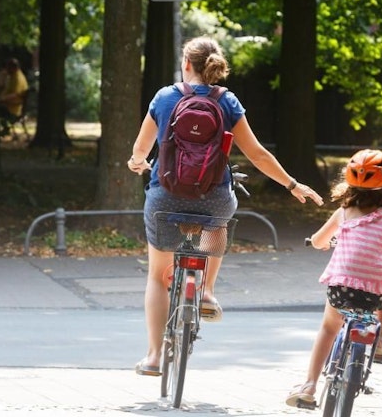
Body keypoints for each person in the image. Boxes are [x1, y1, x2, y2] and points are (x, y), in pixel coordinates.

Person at [127, 36, 324, 377]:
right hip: (214, 197)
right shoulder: (228, 101)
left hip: (165, 196)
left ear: (186, 65)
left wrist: (137, 161)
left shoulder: (165, 97)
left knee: (159, 277)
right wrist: (292, 184)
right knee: (218, 222)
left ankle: (155, 357)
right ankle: (206, 290)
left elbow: (142, 147)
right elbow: (258, 154)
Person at [285, 149, 382, 408]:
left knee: (328, 327)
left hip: (341, 291)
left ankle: (309, 386)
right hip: (375, 295)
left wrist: (317, 243)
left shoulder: (343, 214)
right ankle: (379, 341)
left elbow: (319, 240)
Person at [0, 57, 29, 124]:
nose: (6, 69)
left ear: (13, 67)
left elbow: (16, 94)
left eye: (8, 67)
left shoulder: (18, 79)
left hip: (12, 110)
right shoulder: (12, 76)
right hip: (8, 106)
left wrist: (1, 99)